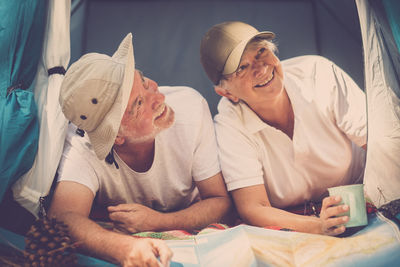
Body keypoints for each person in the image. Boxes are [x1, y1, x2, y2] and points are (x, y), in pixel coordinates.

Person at [49, 33, 231, 266]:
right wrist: (122, 247)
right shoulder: (82, 146)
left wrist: (159, 222)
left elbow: (219, 201)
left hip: (188, 221)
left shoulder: (190, 106)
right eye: (138, 104)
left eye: (144, 82)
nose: (159, 97)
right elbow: (62, 217)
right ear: (116, 137)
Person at [200, 21, 367, 236]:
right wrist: (319, 226)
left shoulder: (318, 74)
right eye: (242, 67)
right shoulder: (229, 124)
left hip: (361, 198)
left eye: (261, 52)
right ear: (227, 94)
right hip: (300, 220)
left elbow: (379, 142)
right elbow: (253, 207)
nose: (261, 68)